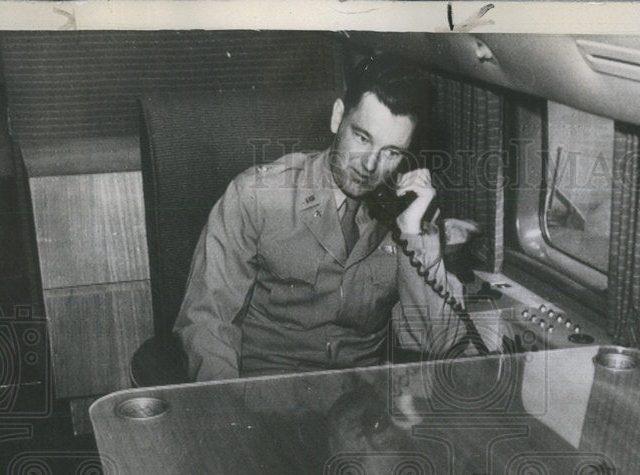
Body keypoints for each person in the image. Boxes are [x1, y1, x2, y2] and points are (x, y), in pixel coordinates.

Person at [173, 54, 468, 382]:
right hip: (268, 398)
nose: (370, 165)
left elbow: (443, 343)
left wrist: (414, 232)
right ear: (337, 117)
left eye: (392, 152)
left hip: (363, 409)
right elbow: (207, 321)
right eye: (362, 137)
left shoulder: (408, 217)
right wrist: (229, 413)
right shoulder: (257, 195)